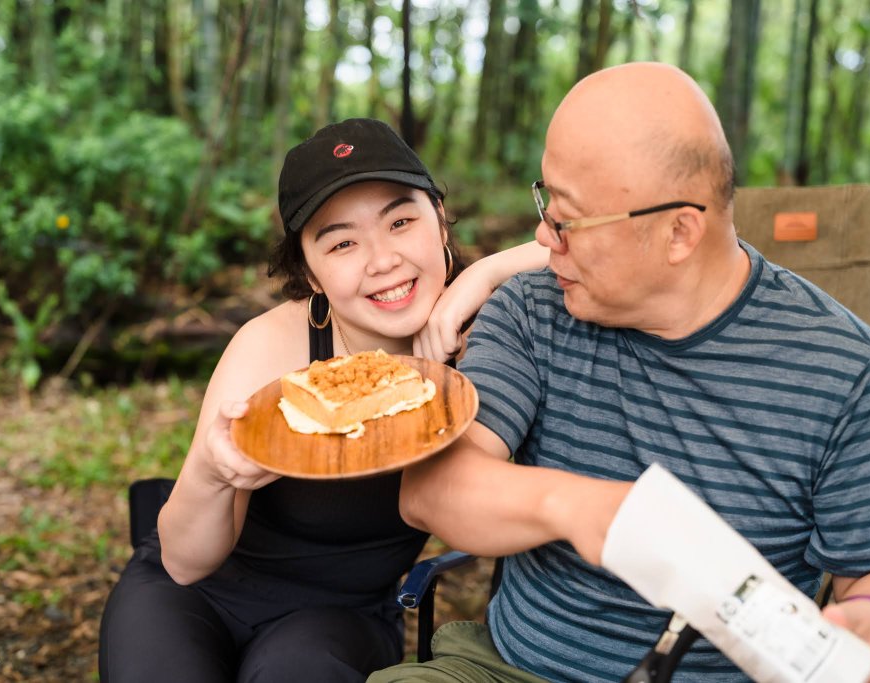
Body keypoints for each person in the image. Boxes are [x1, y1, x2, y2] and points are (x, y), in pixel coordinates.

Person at [370, 63, 870, 683]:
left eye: (566, 219)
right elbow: (432, 491)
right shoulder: (534, 308)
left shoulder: (848, 369)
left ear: (679, 232)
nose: (542, 235)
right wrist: (591, 510)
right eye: (546, 202)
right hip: (513, 671)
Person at [98, 118, 548, 683]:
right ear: (309, 273)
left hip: (342, 616)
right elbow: (185, 564)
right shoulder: (275, 345)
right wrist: (214, 474)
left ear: (439, 219)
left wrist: (487, 272)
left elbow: (602, 246)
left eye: (402, 221)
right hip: (198, 594)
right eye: (341, 243)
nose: (382, 259)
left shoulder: (493, 329)